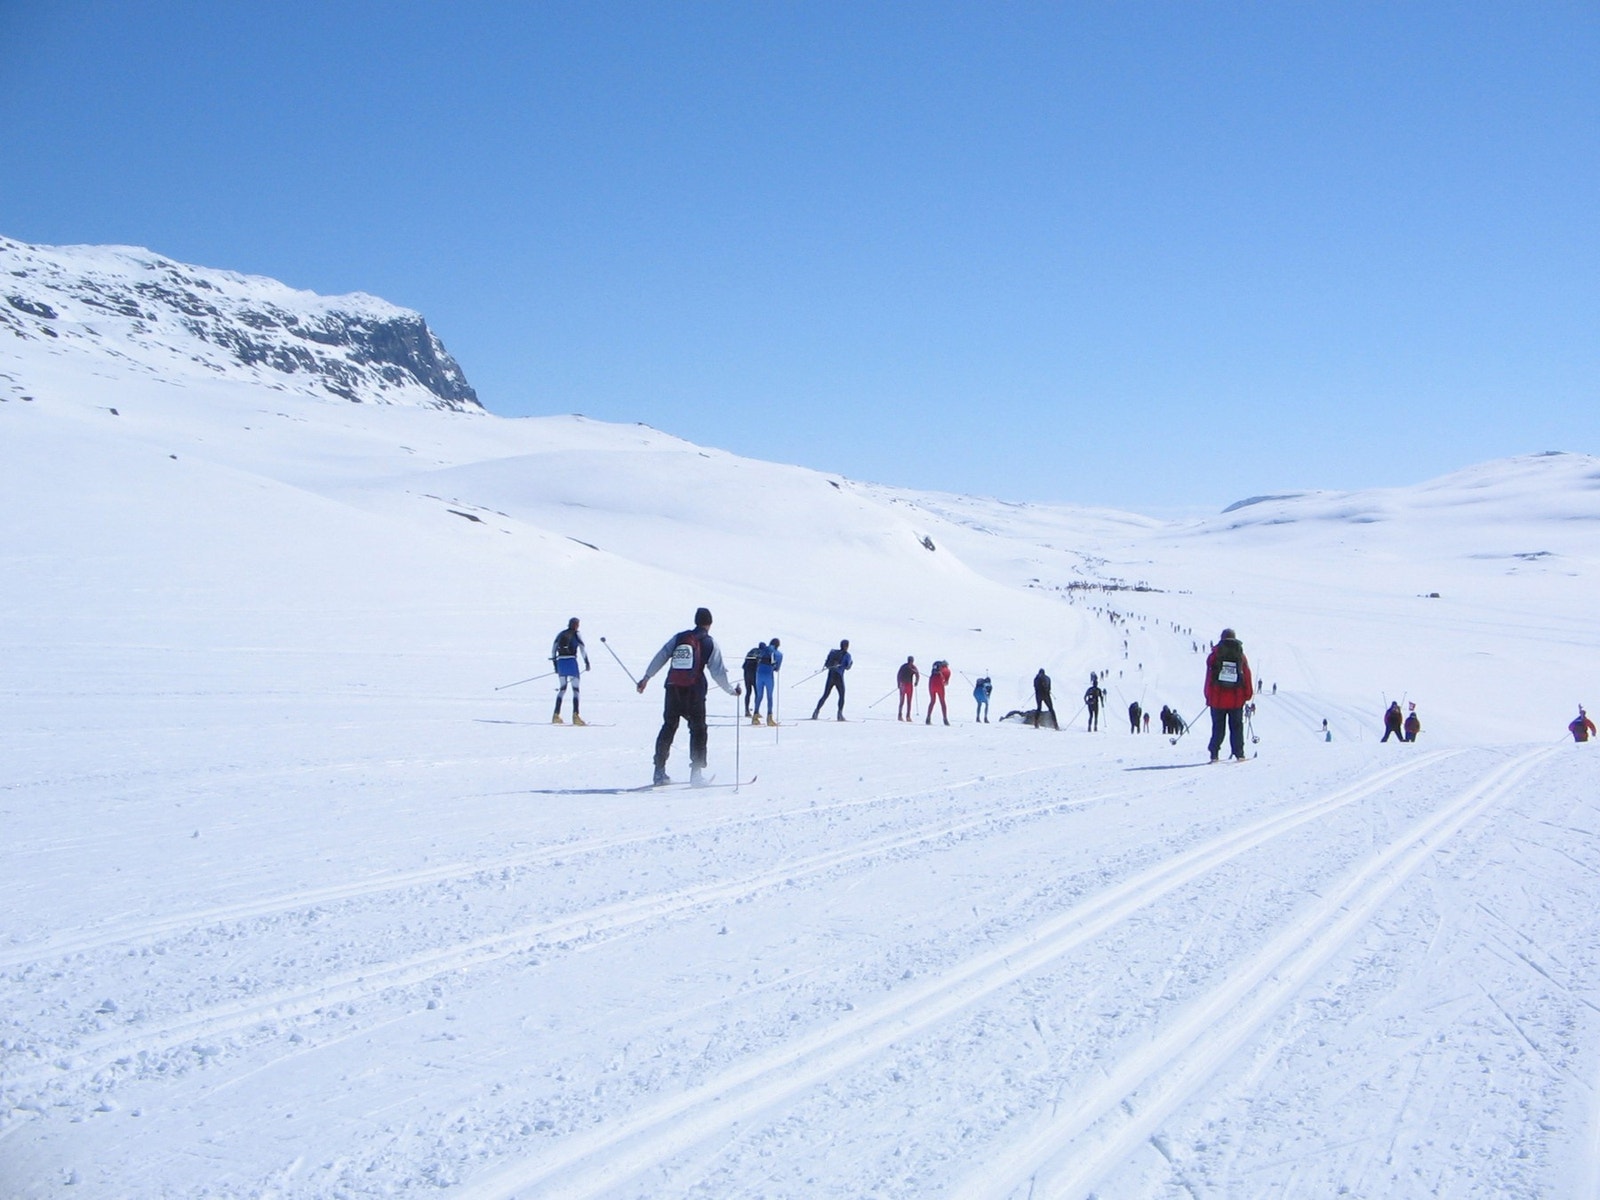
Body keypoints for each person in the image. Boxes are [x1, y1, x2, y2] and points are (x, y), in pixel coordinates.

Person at [635, 607, 739, 786]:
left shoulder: (679, 638)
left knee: (668, 727)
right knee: (698, 730)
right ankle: (696, 774)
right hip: (694, 692)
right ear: (710, 623)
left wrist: (646, 678)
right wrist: (731, 690)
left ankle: (659, 772)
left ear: (696, 621)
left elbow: (661, 656)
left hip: (672, 688)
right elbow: (718, 673)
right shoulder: (710, 643)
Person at [1204, 627, 1255, 762]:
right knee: (1237, 727)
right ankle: (1239, 754)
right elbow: (1247, 676)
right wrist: (1247, 695)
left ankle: (1214, 754)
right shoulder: (1240, 655)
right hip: (1236, 699)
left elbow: (1209, 678)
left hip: (1217, 699)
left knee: (1218, 727)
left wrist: (1208, 696)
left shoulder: (1214, 655)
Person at [550, 617, 591, 725]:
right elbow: (582, 648)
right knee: (576, 690)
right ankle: (576, 715)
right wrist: (587, 662)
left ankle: (556, 715)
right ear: (576, 625)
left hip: (561, 663)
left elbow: (553, 649)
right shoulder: (577, 634)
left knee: (562, 689)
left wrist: (555, 665)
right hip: (571, 662)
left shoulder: (561, 634)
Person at [811, 639, 852, 720]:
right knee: (841, 695)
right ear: (846, 646)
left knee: (825, 695)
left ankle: (816, 712)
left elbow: (827, 664)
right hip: (839, 677)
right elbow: (847, 667)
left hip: (831, 676)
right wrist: (851, 663)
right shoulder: (847, 655)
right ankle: (839, 715)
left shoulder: (833, 653)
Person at [752, 638, 782, 725]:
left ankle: (755, 716)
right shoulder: (778, 653)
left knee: (759, 696)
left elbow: (757, 659)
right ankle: (769, 718)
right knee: (769, 696)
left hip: (759, 674)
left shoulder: (763, 649)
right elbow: (777, 668)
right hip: (768, 675)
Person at [925, 660, 951, 725]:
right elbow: (946, 683)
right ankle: (945, 719)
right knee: (942, 702)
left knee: (932, 701)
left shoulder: (934, 670)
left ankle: (928, 718)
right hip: (940, 686)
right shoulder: (947, 671)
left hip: (932, 684)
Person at [896, 656, 920, 722]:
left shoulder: (909, 667)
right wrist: (898, 683)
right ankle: (900, 715)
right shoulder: (907, 667)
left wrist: (916, 682)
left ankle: (907, 716)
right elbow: (899, 675)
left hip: (907, 685)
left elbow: (917, 674)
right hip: (904, 684)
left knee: (908, 701)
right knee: (902, 701)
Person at [742, 645, 761, 717]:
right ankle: (756, 712)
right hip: (754, 675)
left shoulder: (751, 652)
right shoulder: (761, 653)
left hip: (746, 673)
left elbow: (744, 665)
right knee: (757, 693)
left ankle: (747, 711)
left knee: (748, 692)